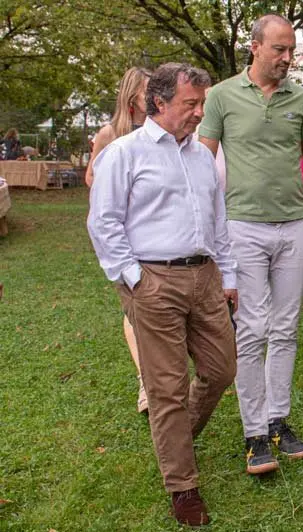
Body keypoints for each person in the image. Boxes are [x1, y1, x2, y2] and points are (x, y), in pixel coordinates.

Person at [87, 62, 236, 527]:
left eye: (202, 103)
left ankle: (176, 440)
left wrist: (228, 274)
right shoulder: (124, 153)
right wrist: (135, 279)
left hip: (205, 276)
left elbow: (217, 219)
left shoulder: (202, 156)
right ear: (159, 102)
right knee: (166, 387)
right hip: (153, 280)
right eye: (191, 103)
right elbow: (103, 222)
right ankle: (182, 486)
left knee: (221, 369)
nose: (199, 112)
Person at [199, 14, 303, 475]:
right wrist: (204, 224)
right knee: (252, 328)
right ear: (255, 47)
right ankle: (254, 432)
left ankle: (278, 420)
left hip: (294, 225)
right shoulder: (221, 96)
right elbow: (202, 160)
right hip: (242, 227)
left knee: (286, 327)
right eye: (279, 49)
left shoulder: (302, 98)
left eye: (291, 49)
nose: (288, 58)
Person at [82, 67, 152, 414]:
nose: (154, 95)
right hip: (122, 229)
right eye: (147, 90)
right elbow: (90, 176)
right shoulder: (111, 133)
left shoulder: (158, 130)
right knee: (132, 303)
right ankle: (145, 381)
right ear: (131, 95)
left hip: (152, 229)